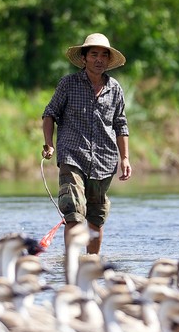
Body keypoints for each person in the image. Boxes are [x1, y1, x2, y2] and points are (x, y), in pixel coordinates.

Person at [41, 32, 132, 255]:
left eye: (103, 55)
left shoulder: (115, 89)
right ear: (84, 58)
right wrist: (48, 143)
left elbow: (121, 125)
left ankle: (92, 264)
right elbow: (49, 113)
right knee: (73, 211)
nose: (99, 59)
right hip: (72, 156)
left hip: (104, 160)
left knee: (96, 218)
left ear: (109, 60)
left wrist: (125, 158)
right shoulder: (68, 84)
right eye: (94, 54)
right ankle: (71, 264)